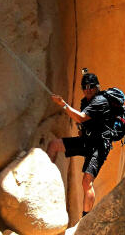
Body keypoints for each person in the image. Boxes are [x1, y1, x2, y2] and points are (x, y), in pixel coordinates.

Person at [47, 71, 112, 217]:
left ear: (97, 87)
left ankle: (85, 219)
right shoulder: (85, 102)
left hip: (99, 146)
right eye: (85, 87)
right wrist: (82, 131)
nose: (88, 90)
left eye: (91, 87)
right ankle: (45, 180)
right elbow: (84, 122)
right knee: (53, 145)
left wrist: (63, 104)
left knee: (86, 181)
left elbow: (82, 117)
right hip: (87, 141)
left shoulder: (100, 101)